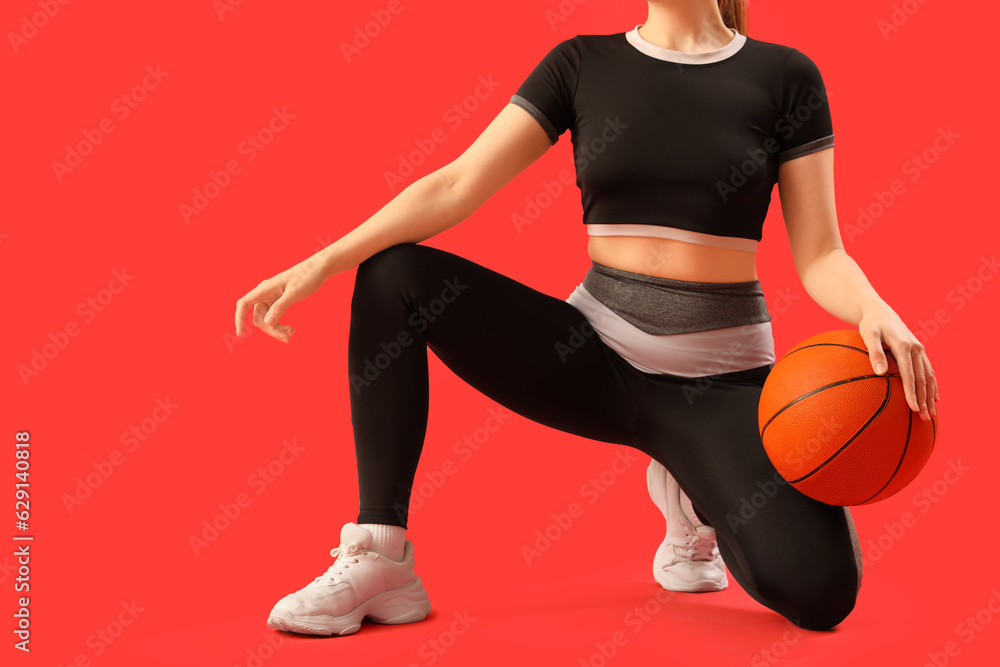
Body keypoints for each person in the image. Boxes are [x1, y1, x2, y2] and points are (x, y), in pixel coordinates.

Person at [233, 0, 939, 636]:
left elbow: (821, 253)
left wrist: (876, 308)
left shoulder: (784, 75)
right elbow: (456, 183)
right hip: (596, 356)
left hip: (720, 389)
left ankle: (693, 504)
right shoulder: (581, 62)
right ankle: (380, 557)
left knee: (821, 595)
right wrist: (320, 262)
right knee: (392, 275)